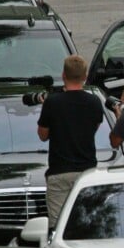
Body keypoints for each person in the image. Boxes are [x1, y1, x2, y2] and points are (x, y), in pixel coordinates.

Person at [38, 55, 103, 229]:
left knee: (58, 225)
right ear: (85, 76)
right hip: (86, 170)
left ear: (63, 75)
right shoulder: (94, 102)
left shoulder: (52, 102)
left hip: (59, 170)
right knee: (88, 222)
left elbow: (43, 135)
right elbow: (93, 129)